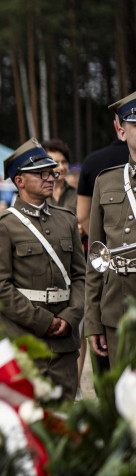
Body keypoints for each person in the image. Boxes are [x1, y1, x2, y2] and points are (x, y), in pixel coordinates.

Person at [0, 139, 85, 399]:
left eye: (51, 172)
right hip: (23, 341)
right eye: (41, 173)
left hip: (64, 344)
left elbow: (80, 277)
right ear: (19, 181)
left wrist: (71, 317)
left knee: (64, 422)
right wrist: (43, 321)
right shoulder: (1, 224)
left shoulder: (67, 220)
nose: (50, 177)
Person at [86, 91, 136, 366]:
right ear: (121, 131)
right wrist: (93, 321)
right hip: (118, 308)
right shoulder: (106, 182)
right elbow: (97, 257)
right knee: (126, 397)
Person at [77, 118, 128, 238]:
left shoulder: (92, 162)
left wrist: (104, 247)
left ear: (117, 126)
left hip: (111, 251)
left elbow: (83, 215)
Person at [42, 138, 78, 213]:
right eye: (56, 163)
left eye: (64, 162)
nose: (61, 167)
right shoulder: (37, 194)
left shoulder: (77, 194)